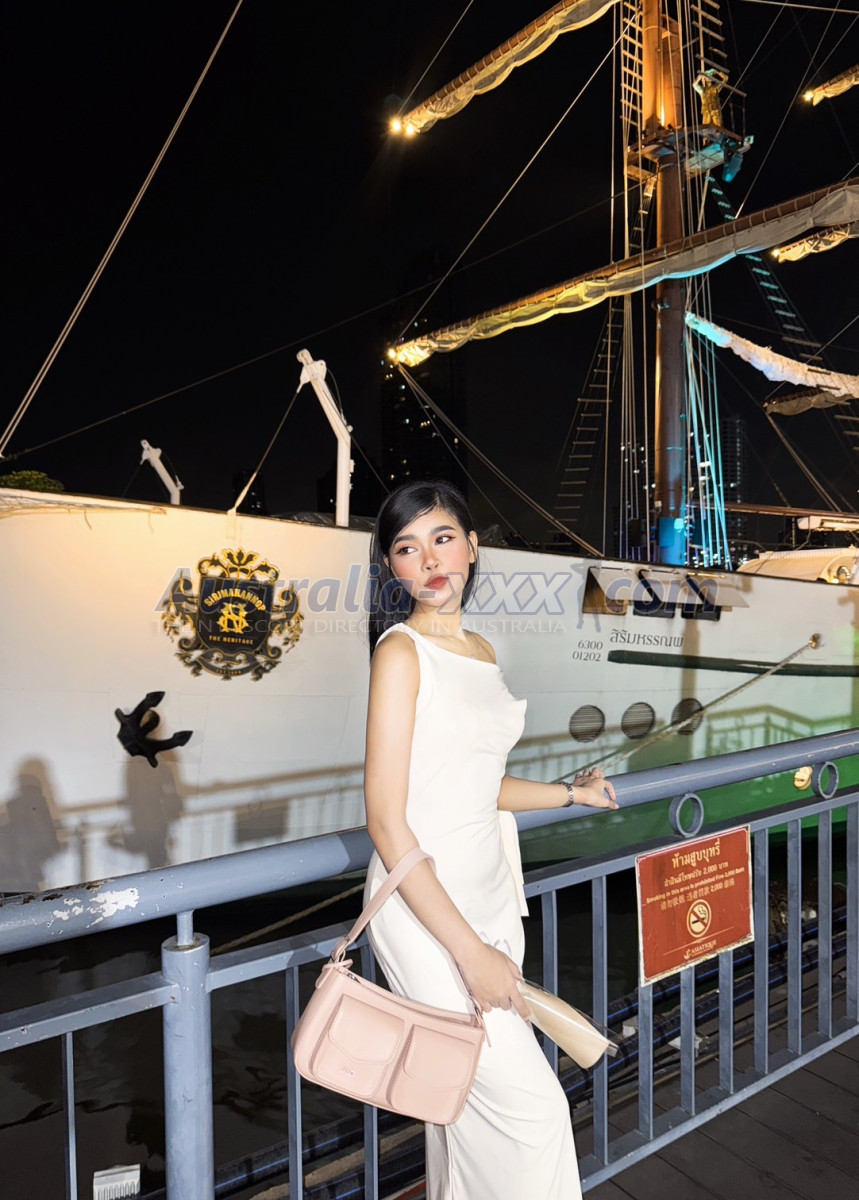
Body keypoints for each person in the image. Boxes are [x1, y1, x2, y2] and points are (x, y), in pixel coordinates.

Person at [362, 479, 618, 1199]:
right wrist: (469, 951)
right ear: (392, 568)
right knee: (533, 1113)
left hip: (488, 894)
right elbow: (385, 818)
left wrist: (570, 793)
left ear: (472, 547)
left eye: (442, 538)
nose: (429, 560)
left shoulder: (479, 649)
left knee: (465, 1117)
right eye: (407, 548)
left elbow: (481, 784)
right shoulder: (400, 653)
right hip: (423, 906)